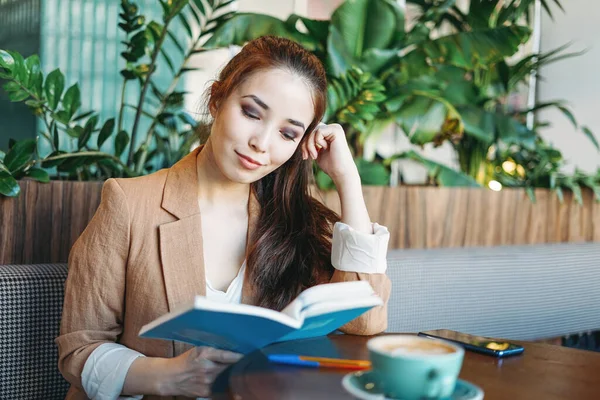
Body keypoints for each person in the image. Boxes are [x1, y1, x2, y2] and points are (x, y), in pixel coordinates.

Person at [56, 35, 391, 400]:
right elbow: (80, 350)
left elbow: (364, 322)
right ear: (217, 100)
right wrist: (168, 376)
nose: (261, 143)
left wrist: (348, 180)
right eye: (251, 113)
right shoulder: (129, 202)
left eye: (288, 133)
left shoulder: (291, 222)